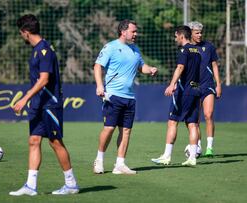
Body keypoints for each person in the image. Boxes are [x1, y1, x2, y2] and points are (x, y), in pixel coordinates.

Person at [9, 14, 79, 196]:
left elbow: (44, 79)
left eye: (20, 33)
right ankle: (30, 186)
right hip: (38, 104)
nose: (21, 36)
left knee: (55, 142)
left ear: (25, 32)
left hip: (50, 104)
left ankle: (71, 184)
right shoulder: (36, 50)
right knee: (33, 141)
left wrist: (24, 99)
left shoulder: (44, 50)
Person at [93, 19, 158, 175]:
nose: (136, 34)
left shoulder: (135, 49)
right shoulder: (111, 47)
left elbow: (141, 67)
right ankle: (99, 160)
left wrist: (150, 69)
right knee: (109, 128)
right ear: (123, 32)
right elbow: (97, 66)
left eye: (136, 31)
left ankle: (120, 165)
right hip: (113, 96)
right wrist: (99, 85)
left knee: (126, 131)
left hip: (130, 98)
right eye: (133, 31)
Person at [151, 25, 201, 166]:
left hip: (184, 91)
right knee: (192, 124)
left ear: (181, 35)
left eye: (175, 36)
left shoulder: (184, 50)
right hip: (196, 90)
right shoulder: (197, 50)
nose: (175, 39)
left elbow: (180, 67)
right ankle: (192, 158)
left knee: (173, 121)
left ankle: (166, 156)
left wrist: (172, 84)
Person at [188, 21, 222, 157]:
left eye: (201, 32)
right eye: (197, 33)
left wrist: (218, 84)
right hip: (193, 86)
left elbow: (214, 66)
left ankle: (210, 148)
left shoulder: (209, 47)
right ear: (190, 33)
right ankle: (198, 146)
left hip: (208, 84)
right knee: (195, 119)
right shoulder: (187, 48)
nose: (200, 35)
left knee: (208, 115)